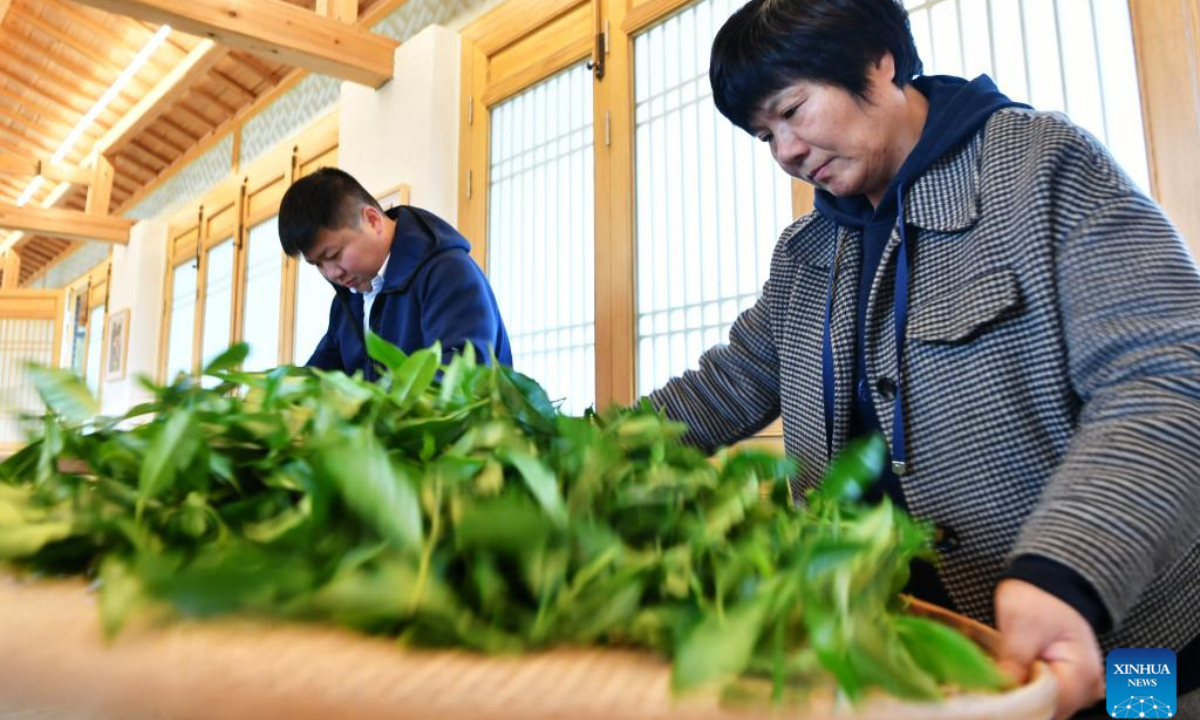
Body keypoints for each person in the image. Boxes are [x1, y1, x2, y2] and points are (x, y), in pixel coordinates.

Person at [645, 1, 1200, 718]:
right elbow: (721, 388)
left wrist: (1069, 568)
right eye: (763, 133)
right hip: (926, 647)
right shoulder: (806, 254)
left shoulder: (1040, 166)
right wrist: (568, 449)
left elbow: (1166, 375)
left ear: (879, 63)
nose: (783, 149)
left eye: (792, 110)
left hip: (1119, 644)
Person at [278, 168, 512, 377]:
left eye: (333, 255)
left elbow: (461, 377)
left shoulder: (447, 273)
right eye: (317, 264)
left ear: (372, 220)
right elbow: (321, 377)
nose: (331, 273)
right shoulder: (348, 299)